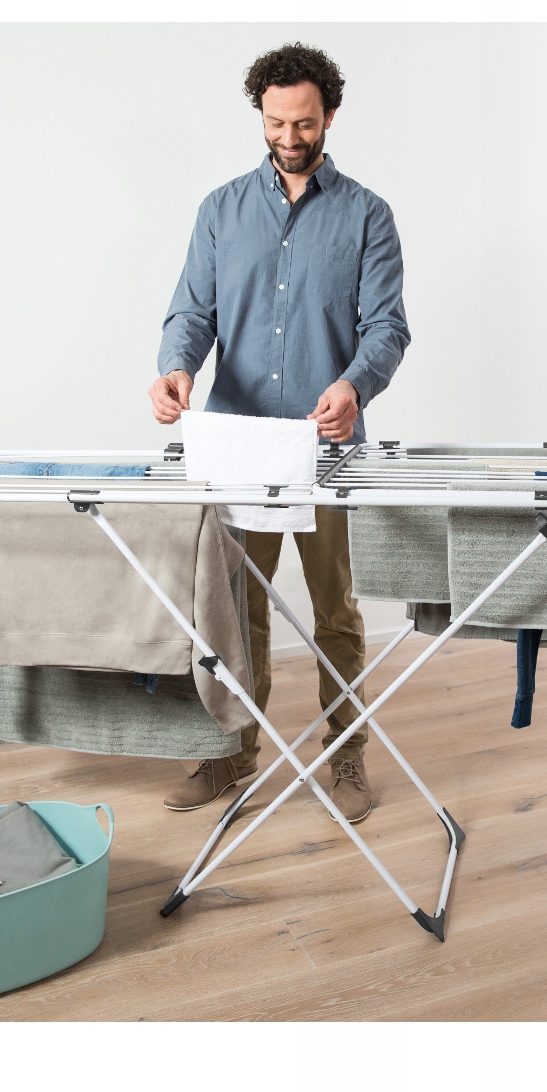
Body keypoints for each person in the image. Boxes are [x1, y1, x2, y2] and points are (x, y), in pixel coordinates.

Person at [150, 43, 410, 823]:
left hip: (327, 449)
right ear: (260, 115)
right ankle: (231, 753)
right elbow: (192, 311)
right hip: (238, 446)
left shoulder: (367, 215)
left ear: (329, 115)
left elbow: (388, 327)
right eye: (274, 123)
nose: (288, 137)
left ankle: (347, 754)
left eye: (303, 123)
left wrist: (353, 385)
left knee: (336, 611)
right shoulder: (220, 210)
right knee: (236, 610)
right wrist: (175, 367)